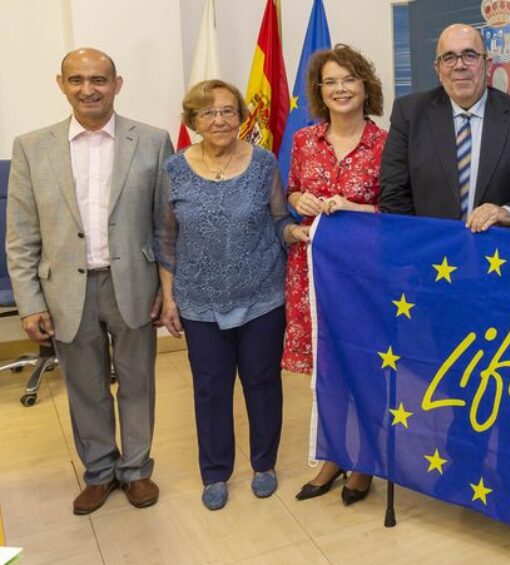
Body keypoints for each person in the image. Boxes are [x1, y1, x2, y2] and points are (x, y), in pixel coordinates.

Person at [6, 48, 170, 515]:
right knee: (85, 385)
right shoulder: (32, 146)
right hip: (63, 291)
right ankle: (99, 471)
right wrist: (29, 303)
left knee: (138, 381)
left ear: (117, 84)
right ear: (61, 83)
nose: (88, 89)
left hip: (134, 285)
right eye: (77, 80)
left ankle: (136, 471)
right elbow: (20, 235)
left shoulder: (153, 141)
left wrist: (165, 287)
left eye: (99, 79)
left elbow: (165, 226)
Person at [156, 79, 301, 511]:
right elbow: (165, 237)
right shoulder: (174, 169)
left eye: (227, 111)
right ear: (193, 121)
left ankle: (264, 464)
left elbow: (278, 219)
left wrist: (293, 231)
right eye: (208, 112)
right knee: (211, 387)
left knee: (262, 382)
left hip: (261, 294)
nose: (219, 119)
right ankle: (215, 472)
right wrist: (169, 297)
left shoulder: (262, 163)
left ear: (240, 116)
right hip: (199, 300)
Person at [283, 44, 386, 506]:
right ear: (319, 91)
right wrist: (297, 202)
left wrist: (358, 207)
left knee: (362, 364)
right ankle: (332, 455)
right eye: (331, 81)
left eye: (349, 79)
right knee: (325, 368)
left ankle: (364, 461)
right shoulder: (305, 140)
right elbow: (290, 192)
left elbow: (402, 211)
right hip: (313, 273)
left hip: (366, 277)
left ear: (365, 86)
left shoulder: (386, 143)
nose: (341, 88)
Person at [378, 23, 510, 231]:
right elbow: (394, 193)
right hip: (429, 253)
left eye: (469, 55)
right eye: (449, 57)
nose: (459, 66)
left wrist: (508, 212)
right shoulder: (408, 114)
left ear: (487, 63)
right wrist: (420, 247)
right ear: (438, 69)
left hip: (501, 256)